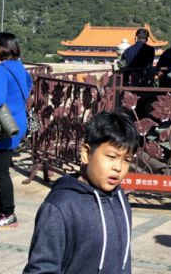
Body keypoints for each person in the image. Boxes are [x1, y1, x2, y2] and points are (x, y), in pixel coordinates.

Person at [23, 110, 139, 273]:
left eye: (126, 160)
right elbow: (41, 268)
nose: (118, 167)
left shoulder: (120, 200)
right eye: (111, 157)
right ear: (86, 153)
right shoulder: (60, 207)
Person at [0, 32, 32, 229]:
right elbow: (29, 86)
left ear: (3, 47)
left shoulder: (0, 70)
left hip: (3, 126)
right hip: (17, 123)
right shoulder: (18, 66)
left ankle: (8, 213)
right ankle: (0, 208)